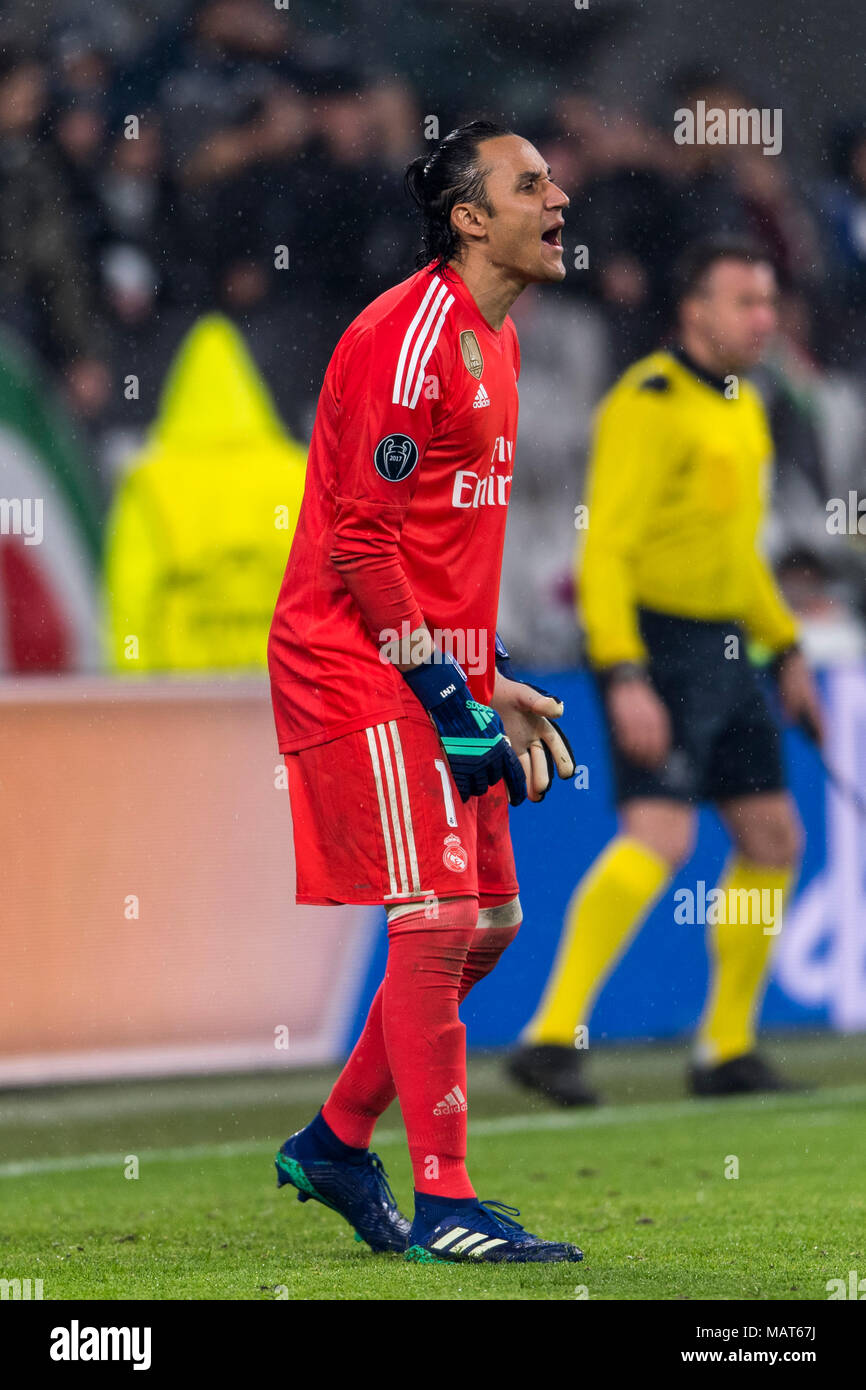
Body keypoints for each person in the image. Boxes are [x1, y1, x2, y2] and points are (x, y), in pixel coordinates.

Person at [267, 121, 582, 1264]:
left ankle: (338, 1138)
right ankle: (445, 1199)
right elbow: (359, 546)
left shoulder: (496, 342)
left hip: (436, 665)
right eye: (531, 183)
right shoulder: (408, 338)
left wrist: (486, 680)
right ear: (467, 218)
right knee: (437, 915)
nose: (559, 196)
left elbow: (442, 547)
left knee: (488, 922)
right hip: (351, 657)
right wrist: (447, 687)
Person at [509, 234, 824, 1105]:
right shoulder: (644, 402)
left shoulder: (743, 404)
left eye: (769, 302)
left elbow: (738, 555)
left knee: (773, 839)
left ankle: (725, 1048)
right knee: (663, 836)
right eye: (745, 303)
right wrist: (622, 673)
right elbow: (604, 549)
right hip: (658, 648)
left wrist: (787, 648)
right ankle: (551, 1036)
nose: (764, 318)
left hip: (728, 646)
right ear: (695, 311)